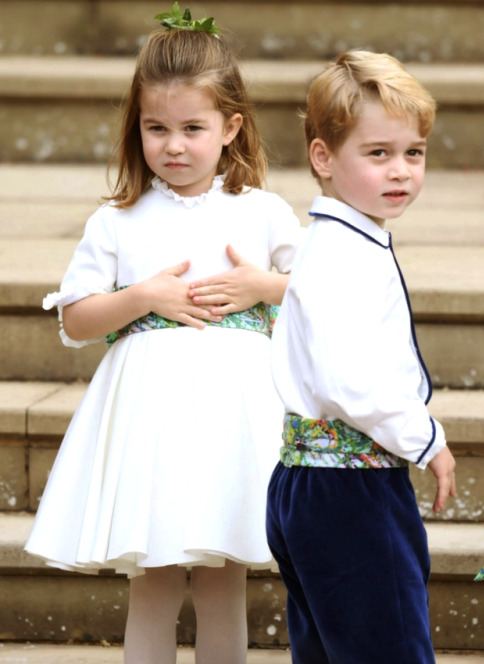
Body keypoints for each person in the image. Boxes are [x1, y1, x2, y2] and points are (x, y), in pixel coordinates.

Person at [25, 5, 300, 664]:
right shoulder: (119, 221)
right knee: (151, 580)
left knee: (222, 579)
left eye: (192, 128)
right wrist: (142, 295)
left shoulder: (262, 212)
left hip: (233, 419)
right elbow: (75, 319)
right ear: (137, 126)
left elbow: (320, 294)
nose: (173, 145)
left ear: (230, 127)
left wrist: (263, 287)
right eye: (156, 128)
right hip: (151, 423)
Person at [266, 50, 457, 664]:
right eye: (378, 154)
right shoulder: (341, 256)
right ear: (323, 157)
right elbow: (349, 381)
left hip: (314, 487)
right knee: (390, 649)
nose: (400, 170)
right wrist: (424, 436)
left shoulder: (343, 241)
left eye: (413, 152)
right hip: (351, 492)